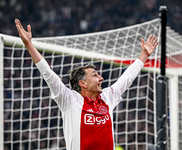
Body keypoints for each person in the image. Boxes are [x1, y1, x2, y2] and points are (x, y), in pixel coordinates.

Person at [15, 18, 159, 150]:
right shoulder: (69, 99)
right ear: (82, 83)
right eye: (95, 75)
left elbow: (126, 78)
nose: (101, 78)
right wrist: (28, 44)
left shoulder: (107, 98)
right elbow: (48, 74)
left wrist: (144, 55)